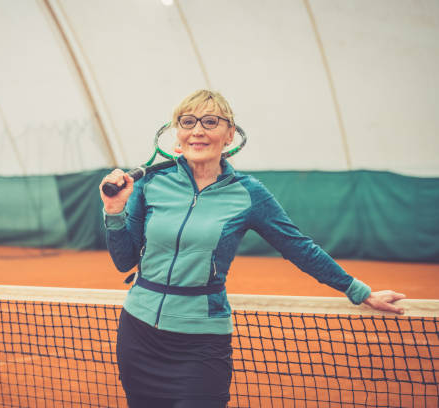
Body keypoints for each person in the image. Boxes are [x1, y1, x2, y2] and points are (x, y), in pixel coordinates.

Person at [99, 89, 405, 408]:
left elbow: (298, 247)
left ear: (230, 134)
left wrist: (358, 290)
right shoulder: (150, 185)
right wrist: (113, 211)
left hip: (202, 342)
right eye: (188, 121)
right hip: (138, 334)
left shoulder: (249, 194)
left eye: (210, 121)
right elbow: (124, 261)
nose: (198, 130)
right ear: (178, 134)